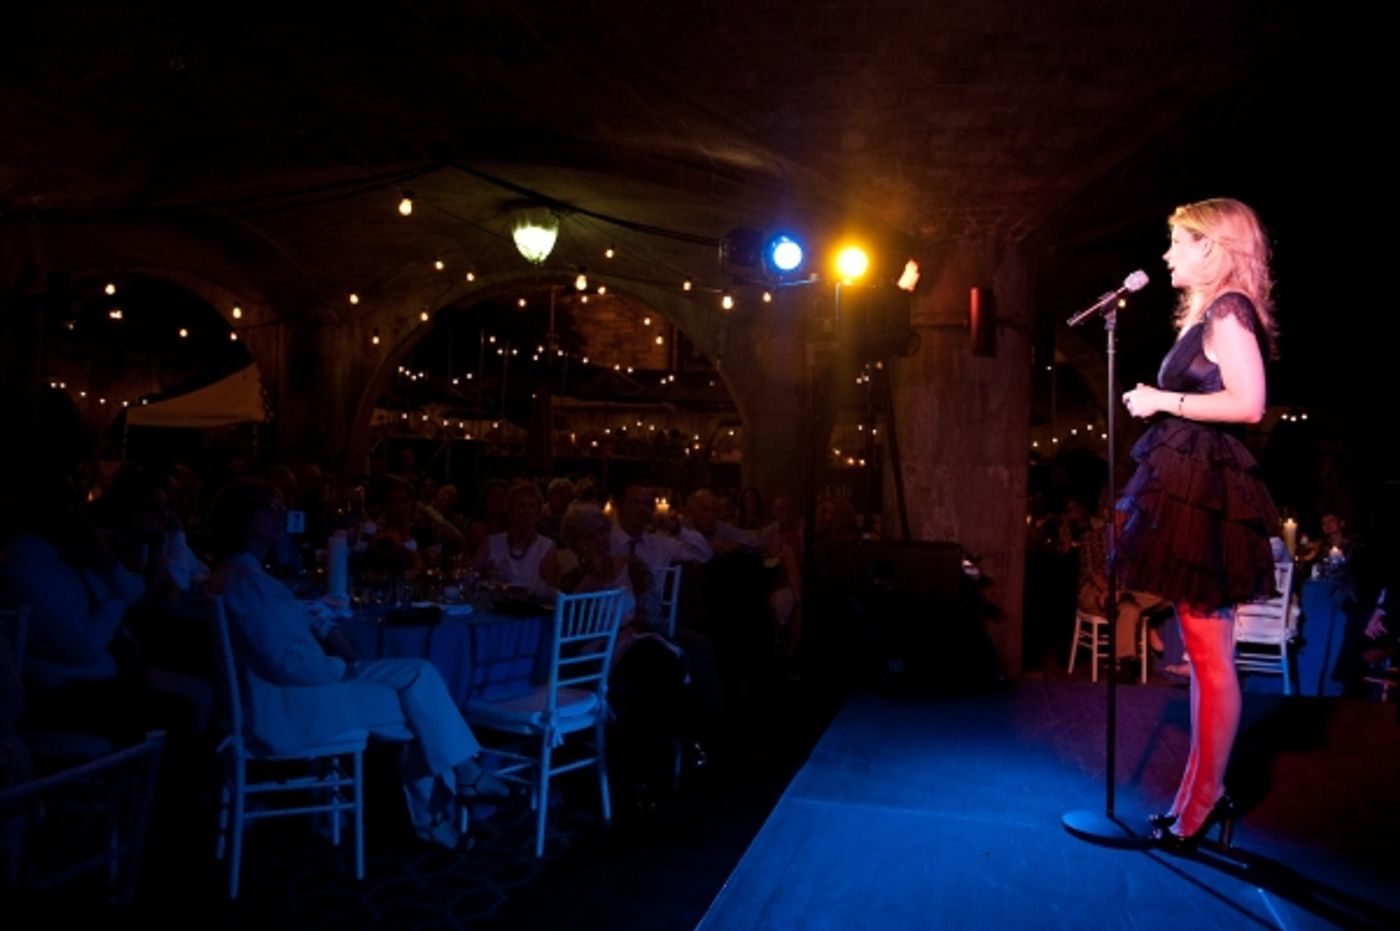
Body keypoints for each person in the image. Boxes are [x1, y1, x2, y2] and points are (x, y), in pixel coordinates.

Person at [206, 478, 506, 849]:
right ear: (243, 519)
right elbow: (284, 662)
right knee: (420, 709)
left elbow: (284, 623)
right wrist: (339, 667)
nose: (281, 514)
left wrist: (326, 628)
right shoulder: (248, 582)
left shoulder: (240, 575)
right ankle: (444, 801)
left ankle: (460, 782)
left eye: (281, 506)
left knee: (421, 674)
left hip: (302, 687)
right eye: (270, 508)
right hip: (293, 703)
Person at [1118, 197, 1280, 851]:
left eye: (1178, 242)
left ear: (1211, 246)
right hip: (1196, 490)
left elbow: (1249, 403)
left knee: (1212, 661)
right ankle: (1195, 795)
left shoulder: (1229, 310)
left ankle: (1204, 801)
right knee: (1203, 655)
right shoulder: (1213, 312)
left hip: (1208, 496)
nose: (1167, 255)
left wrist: (1161, 398)